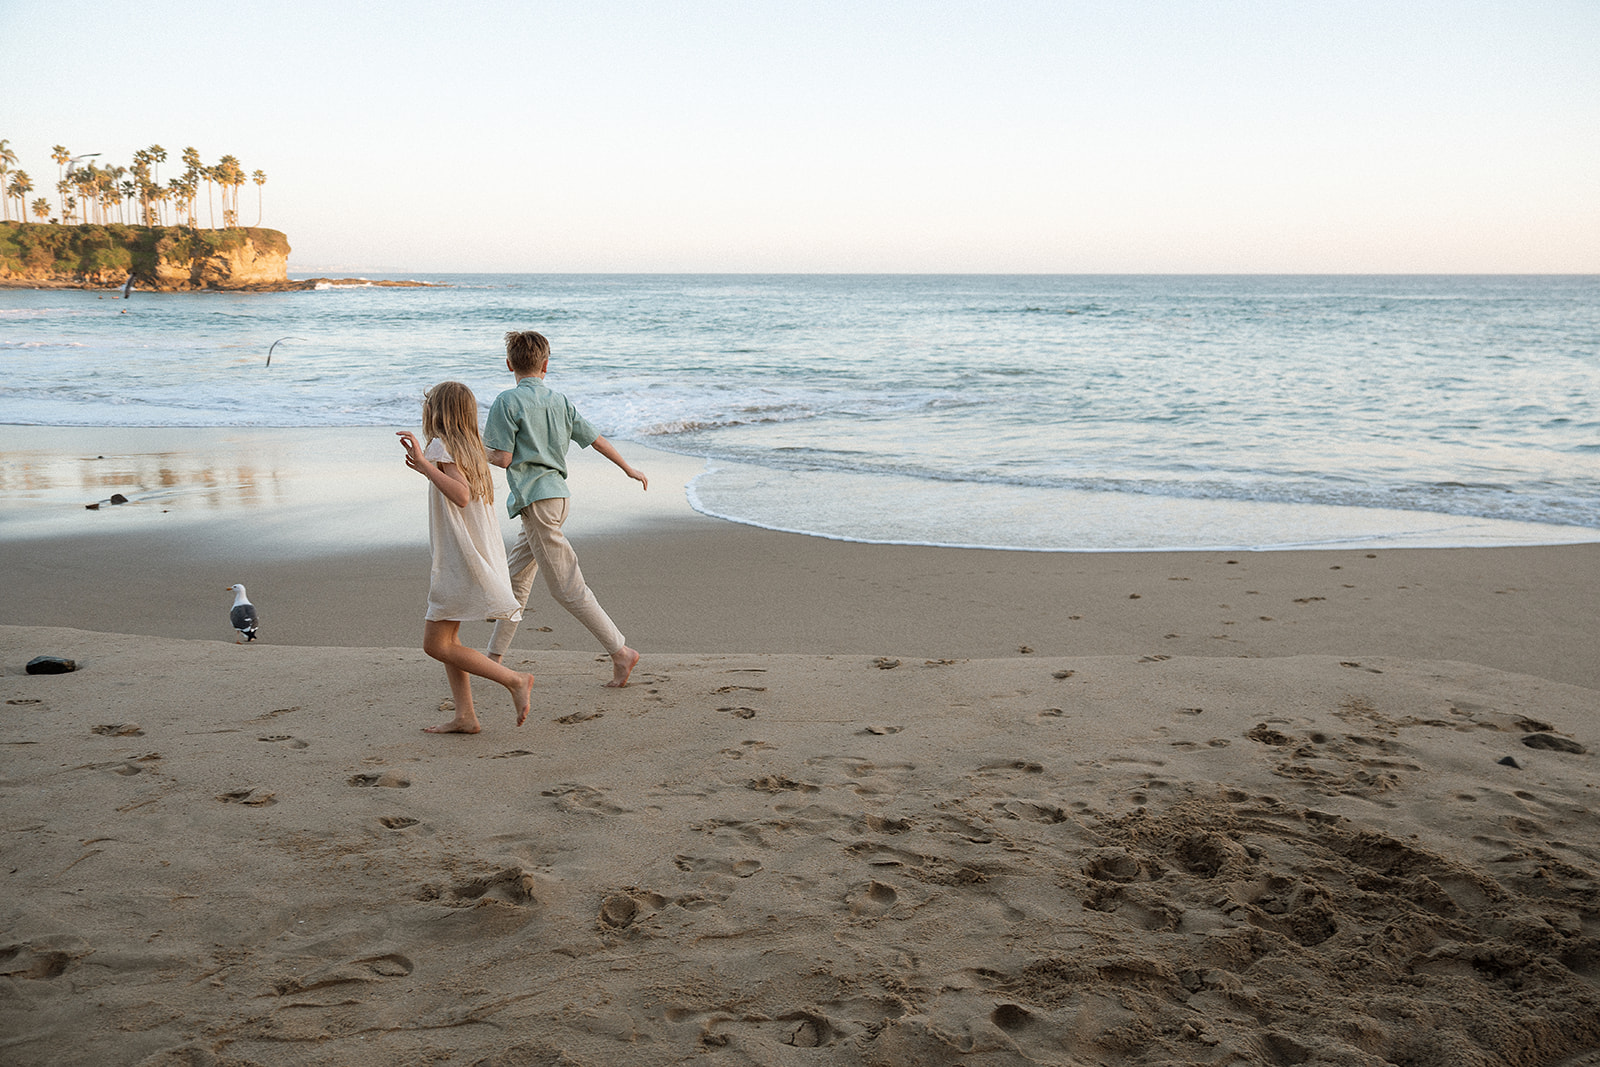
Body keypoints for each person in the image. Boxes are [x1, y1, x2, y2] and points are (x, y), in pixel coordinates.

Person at [483, 330, 646, 687]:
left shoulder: (507, 401)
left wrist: (470, 451)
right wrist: (628, 467)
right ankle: (493, 659)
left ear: (509, 363)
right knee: (515, 582)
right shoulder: (560, 401)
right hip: (554, 499)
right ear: (546, 365)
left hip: (538, 501)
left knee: (567, 588)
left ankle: (621, 652)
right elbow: (595, 438)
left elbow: (503, 456)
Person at [398, 381, 536, 732]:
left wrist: (424, 465)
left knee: (434, 644)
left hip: (460, 559)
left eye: (429, 404)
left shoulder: (441, 446)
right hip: (469, 552)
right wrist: (427, 467)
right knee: (449, 642)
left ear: (439, 412)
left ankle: (514, 680)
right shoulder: (470, 447)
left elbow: (460, 496)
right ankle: (466, 716)